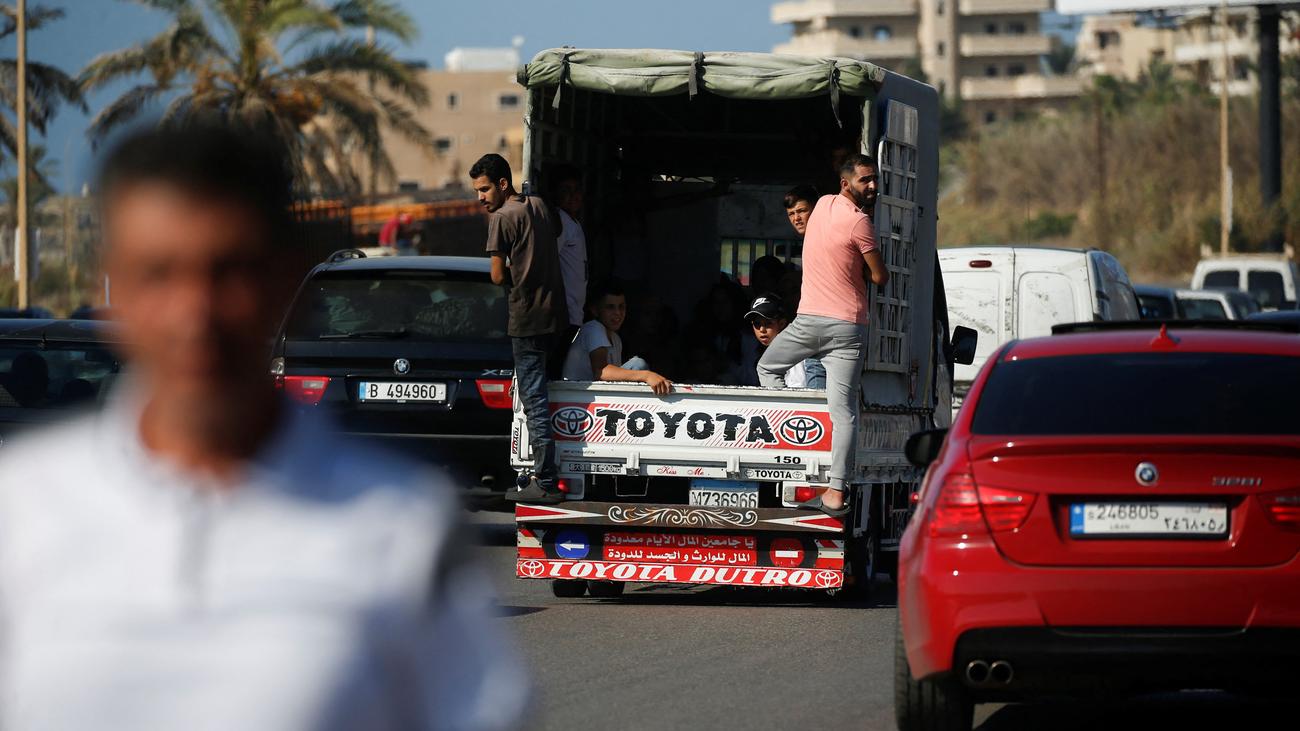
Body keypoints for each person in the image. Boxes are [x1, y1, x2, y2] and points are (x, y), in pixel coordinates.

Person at [0, 123, 527, 730]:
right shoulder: (23, 511)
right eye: (158, 273)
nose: (194, 312)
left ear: (285, 281)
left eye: (229, 272)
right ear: (111, 285)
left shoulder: (402, 529)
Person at [758, 153, 889, 517]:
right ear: (847, 184)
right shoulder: (860, 222)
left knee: (768, 369)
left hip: (810, 321)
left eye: (874, 179)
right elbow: (880, 277)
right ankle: (835, 491)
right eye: (866, 180)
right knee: (843, 411)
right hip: (849, 326)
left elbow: (810, 209)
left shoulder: (823, 207)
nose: (873, 186)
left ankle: (792, 436)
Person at [472, 152, 568, 504]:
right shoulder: (540, 205)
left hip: (526, 318)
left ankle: (544, 479)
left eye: (484, 190)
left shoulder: (501, 218)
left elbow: (497, 275)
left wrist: (516, 270)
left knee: (534, 400)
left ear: (502, 184)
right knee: (547, 390)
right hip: (555, 315)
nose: (480, 198)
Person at [562, 284, 672, 394]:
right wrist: (647, 376)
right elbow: (601, 371)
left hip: (595, 397)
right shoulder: (593, 328)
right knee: (638, 364)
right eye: (610, 307)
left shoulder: (616, 339)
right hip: (578, 398)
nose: (618, 313)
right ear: (595, 310)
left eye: (621, 307)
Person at [780, 184, 827, 390]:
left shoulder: (825, 239)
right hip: (814, 326)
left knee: (767, 367)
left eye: (801, 211)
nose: (796, 218)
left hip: (824, 324)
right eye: (791, 214)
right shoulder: (810, 241)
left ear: (815, 209)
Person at [549, 165, 588, 339]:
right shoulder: (560, 220)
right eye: (566, 190)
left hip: (574, 311)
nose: (573, 196)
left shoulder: (573, 222)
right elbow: (549, 260)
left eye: (577, 190)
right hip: (565, 313)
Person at [743, 293, 807, 387]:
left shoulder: (794, 353)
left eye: (768, 323)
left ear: (781, 323)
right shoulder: (749, 348)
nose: (762, 329)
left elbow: (797, 390)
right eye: (757, 324)